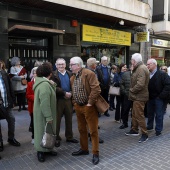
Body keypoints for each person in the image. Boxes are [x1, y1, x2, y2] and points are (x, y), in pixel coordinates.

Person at [70, 56, 102, 165]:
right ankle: (84, 149)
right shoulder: (73, 77)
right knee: (82, 129)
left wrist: (89, 103)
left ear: (78, 65)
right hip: (78, 107)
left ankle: (95, 153)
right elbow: (73, 91)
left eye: (71, 64)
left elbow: (96, 89)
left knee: (93, 131)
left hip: (89, 107)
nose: (70, 66)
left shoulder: (89, 73)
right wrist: (74, 102)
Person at [51, 58, 78, 147]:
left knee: (69, 119)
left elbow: (74, 85)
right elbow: (53, 87)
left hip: (68, 99)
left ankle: (69, 137)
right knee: (57, 120)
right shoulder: (53, 75)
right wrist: (64, 93)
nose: (61, 66)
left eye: (62, 64)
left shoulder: (70, 73)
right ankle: (57, 138)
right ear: (56, 65)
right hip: (59, 100)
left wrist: (71, 92)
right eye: (59, 64)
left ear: (65, 65)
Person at [33, 63, 57, 162]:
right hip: (44, 114)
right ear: (49, 74)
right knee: (42, 132)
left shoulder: (43, 83)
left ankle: (47, 149)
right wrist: (48, 116)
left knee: (46, 132)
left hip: (42, 113)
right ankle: (40, 151)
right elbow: (44, 103)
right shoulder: (44, 85)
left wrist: (53, 84)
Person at [125, 53, 149, 143]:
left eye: (131, 60)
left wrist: (131, 90)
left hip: (140, 97)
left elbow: (140, 84)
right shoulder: (138, 68)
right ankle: (134, 130)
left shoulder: (141, 68)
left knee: (139, 115)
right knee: (135, 114)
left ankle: (145, 134)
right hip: (137, 96)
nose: (131, 61)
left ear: (134, 61)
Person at [0, 60, 21, 152]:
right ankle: (0, 142)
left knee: (11, 120)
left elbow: (10, 87)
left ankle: (11, 138)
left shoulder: (4, 74)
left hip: (7, 102)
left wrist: (13, 100)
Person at [146, 59, 170, 136]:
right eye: (147, 64)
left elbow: (168, 86)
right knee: (150, 113)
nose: (147, 66)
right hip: (150, 98)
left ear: (154, 65)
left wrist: (161, 96)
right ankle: (149, 126)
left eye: (149, 64)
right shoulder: (147, 74)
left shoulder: (162, 74)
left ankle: (158, 130)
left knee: (159, 114)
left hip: (159, 98)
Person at [86, 57, 104, 144]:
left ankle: (90, 133)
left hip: (93, 97)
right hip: (91, 98)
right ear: (92, 65)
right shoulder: (89, 73)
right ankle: (92, 135)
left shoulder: (94, 71)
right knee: (92, 118)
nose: (96, 65)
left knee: (92, 117)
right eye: (95, 63)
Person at [26, 67, 38, 145]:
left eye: (37, 73)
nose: (36, 74)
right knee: (33, 123)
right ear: (32, 74)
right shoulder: (30, 84)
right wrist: (37, 98)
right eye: (34, 73)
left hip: (41, 106)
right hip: (33, 106)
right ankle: (33, 137)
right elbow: (28, 95)